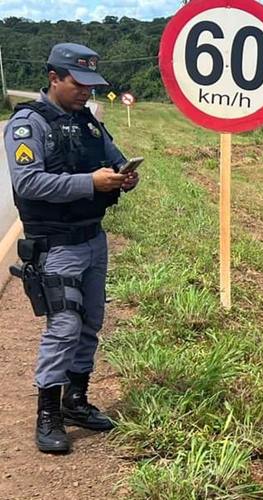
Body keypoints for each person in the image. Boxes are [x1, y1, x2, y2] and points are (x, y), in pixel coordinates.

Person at [3, 43, 139, 453]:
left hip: (93, 239)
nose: (84, 93)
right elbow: (28, 182)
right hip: (55, 245)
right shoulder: (28, 124)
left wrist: (123, 177)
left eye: (90, 86)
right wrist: (89, 183)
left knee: (90, 323)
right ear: (54, 78)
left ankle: (76, 400)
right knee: (63, 328)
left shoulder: (88, 124)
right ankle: (48, 413)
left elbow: (113, 161)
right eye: (77, 84)